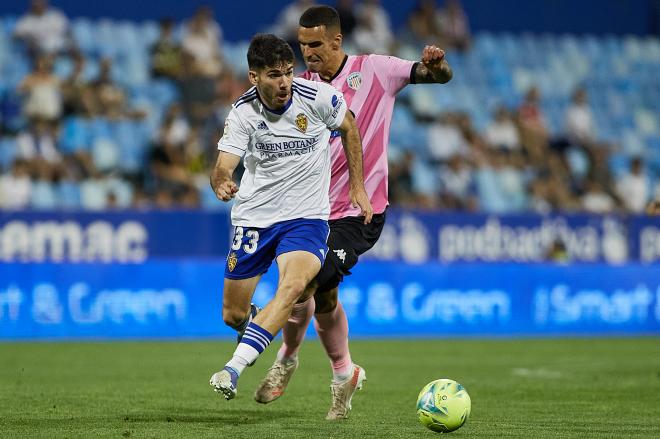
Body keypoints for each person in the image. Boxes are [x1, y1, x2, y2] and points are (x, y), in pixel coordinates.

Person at [253, 5, 452, 420]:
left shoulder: (376, 69)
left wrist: (437, 66)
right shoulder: (299, 87)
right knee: (319, 292)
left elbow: (431, 75)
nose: (307, 53)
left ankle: (288, 358)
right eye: (302, 45)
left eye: (315, 45)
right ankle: (344, 373)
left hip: (359, 212)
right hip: (308, 212)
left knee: (306, 284)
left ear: (337, 40)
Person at [208, 33, 372, 401]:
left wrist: (357, 187)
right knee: (232, 315)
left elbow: (349, 127)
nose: (283, 82)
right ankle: (254, 328)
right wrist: (221, 183)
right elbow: (223, 166)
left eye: (287, 72)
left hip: (307, 218)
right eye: (272, 75)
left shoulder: (319, 98)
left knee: (295, 287)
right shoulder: (243, 113)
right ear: (254, 77)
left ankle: (233, 369)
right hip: (254, 219)